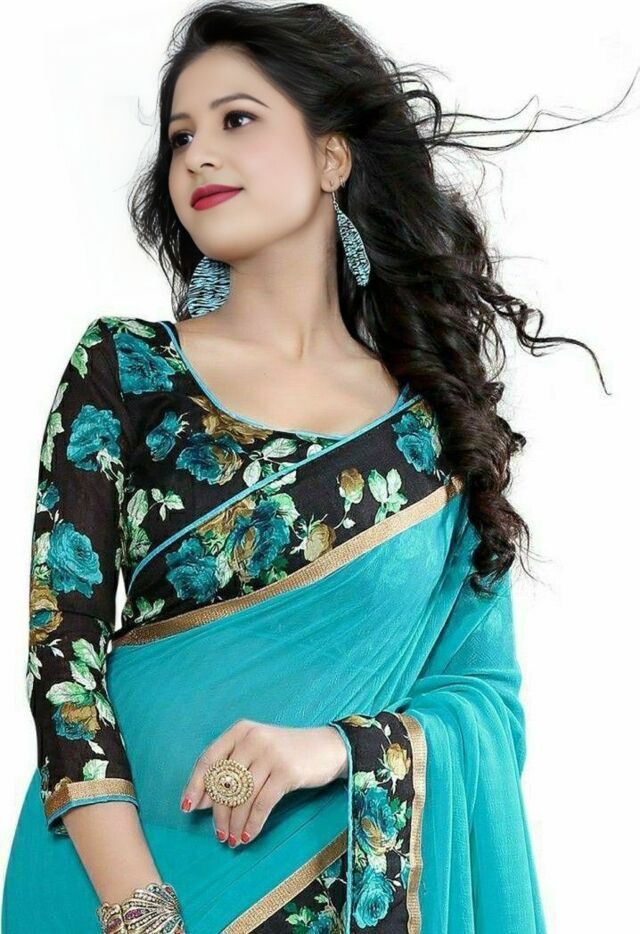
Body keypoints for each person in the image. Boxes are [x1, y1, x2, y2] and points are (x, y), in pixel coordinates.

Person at [3, 2, 613, 931]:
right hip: (107, 886)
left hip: (334, 893)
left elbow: (483, 700)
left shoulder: (434, 432)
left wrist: (335, 749)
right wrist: (140, 909)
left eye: (237, 120)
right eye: (180, 136)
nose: (198, 155)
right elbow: (63, 648)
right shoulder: (125, 367)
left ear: (333, 158)